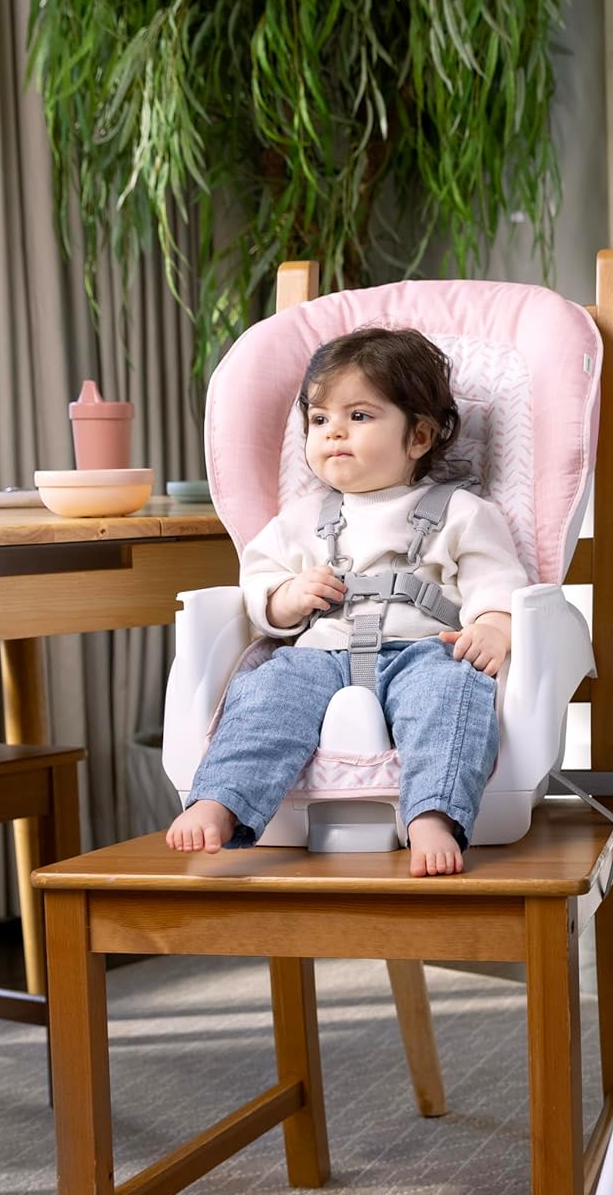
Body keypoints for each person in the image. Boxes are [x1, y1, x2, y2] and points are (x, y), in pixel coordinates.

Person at [166, 325, 528, 877]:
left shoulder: (461, 512)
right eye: (319, 420)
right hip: (317, 656)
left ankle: (431, 814)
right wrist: (288, 598)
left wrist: (495, 624)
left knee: (452, 695)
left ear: (419, 437)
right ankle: (221, 800)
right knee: (265, 696)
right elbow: (259, 583)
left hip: (421, 651)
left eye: (358, 416)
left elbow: (494, 579)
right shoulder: (301, 520)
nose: (333, 432)